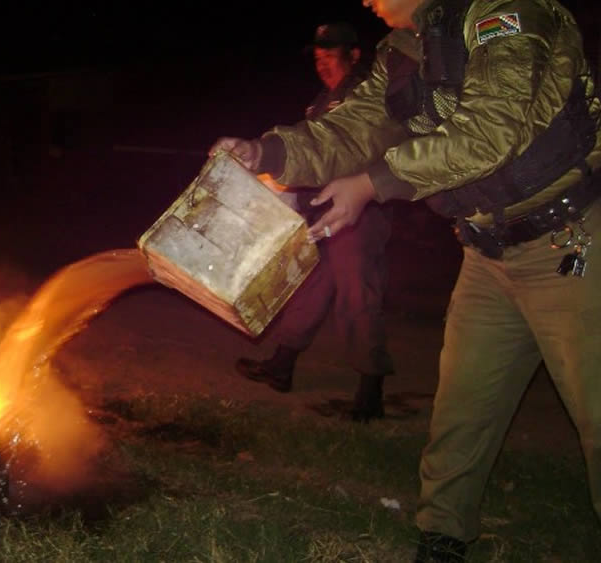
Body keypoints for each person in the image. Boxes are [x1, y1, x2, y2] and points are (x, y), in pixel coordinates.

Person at [210, 0, 601, 561]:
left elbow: (491, 133)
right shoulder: (406, 48)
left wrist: (374, 184)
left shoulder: (509, 15)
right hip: (487, 254)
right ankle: (443, 540)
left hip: (568, 244)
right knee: (463, 412)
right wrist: (268, 151)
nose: (367, 0)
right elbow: (351, 128)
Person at [233, 21, 395, 424]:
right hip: (322, 211)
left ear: (354, 55)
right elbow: (313, 155)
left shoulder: (365, 95)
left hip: (361, 212)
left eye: (330, 56)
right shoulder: (321, 101)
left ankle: (370, 389)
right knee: (308, 284)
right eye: (318, 58)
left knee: (357, 294)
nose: (322, 65)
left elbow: (359, 150)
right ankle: (283, 363)